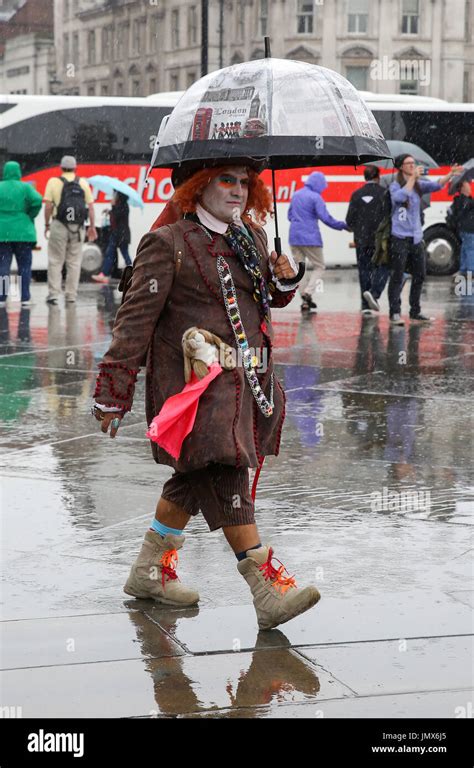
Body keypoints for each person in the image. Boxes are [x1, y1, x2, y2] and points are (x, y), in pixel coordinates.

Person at [92, 162, 320, 631]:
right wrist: (114, 391)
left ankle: (149, 572)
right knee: (225, 466)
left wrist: (284, 278)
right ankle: (267, 589)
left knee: (193, 478)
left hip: (247, 384)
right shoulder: (168, 242)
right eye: (226, 181)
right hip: (193, 392)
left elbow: (265, 299)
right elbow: (134, 321)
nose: (238, 191)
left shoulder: (251, 235)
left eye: (244, 182)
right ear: (198, 186)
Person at [387, 154, 462, 326]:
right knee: (397, 276)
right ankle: (395, 312)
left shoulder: (419, 185)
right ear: (401, 167)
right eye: (409, 164)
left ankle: (415, 311)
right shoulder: (395, 186)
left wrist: (450, 174)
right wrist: (412, 179)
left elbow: (437, 185)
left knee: (420, 274)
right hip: (399, 237)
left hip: (416, 238)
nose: (413, 166)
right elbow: (399, 198)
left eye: (414, 163)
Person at [288, 171, 348, 312]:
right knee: (319, 266)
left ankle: (304, 298)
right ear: (318, 184)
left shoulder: (296, 195)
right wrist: (343, 225)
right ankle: (308, 292)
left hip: (294, 237)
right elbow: (325, 218)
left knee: (299, 269)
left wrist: (300, 223)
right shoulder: (316, 197)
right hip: (311, 238)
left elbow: (289, 215)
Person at [43, 155, 96, 305]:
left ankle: (53, 294)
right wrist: (92, 227)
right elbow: (90, 208)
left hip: (59, 225)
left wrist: (47, 225)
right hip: (78, 227)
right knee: (74, 262)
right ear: (75, 168)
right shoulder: (83, 183)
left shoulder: (53, 182)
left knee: (55, 260)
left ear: (61, 167)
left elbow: (48, 206)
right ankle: (71, 295)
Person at [346, 165, 390, 316]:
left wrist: (359, 229)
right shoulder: (384, 193)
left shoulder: (356, 194)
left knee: (363, 270)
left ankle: (365, 304)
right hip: (379, 241)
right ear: (378, 177)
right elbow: (388, 216)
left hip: (361, 240)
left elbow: (349, 220)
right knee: (381, 268)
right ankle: (373, 294)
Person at [0, 161, 43, 307]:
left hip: (2, 233)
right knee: (24, 266)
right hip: (23, 233)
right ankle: (25, 298)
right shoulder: (25, 187)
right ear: (18, 171)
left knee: (3, 267)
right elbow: (37, 200)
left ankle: (1, 298)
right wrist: (28, 215)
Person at [92, 191, 132, 284]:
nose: (114, 197)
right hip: (116, 234)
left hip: (122, 235)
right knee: (109, 254)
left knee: (125, 254)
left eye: (115, 195)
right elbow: (115, 214)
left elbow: (117, 215)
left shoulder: (124, 206)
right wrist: (110, 210)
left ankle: (133, 271)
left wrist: (112, 207)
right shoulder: (119, 206)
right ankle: (104, 274)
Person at [450, 180, 474, 277]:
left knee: (465, 248)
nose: (469, 187)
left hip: (463, 228)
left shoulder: (460, 199)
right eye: (467, 185)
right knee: (470, 249)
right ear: (462, 188)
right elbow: (463, 212)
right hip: (469, 228)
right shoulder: (464, 200)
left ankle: (463, 269)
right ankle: (471, 270)